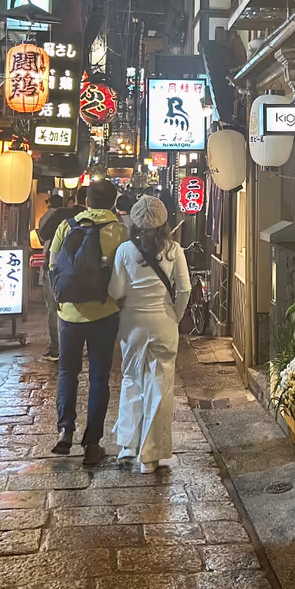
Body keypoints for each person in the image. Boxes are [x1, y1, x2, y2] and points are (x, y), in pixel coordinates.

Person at [49, 180, 129, 465]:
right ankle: (92, 443)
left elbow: (52, 265)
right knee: (98, 378)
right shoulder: (120, 231)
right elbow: (124, 274)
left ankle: (65, 430)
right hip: (104, 313)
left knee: (67, 372)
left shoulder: (67, 226)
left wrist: (60, 299)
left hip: (69, 314)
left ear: (87, 200)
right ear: (113, 202)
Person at [109, 196, 190, 473]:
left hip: (132, 323)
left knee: (132, 379)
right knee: (160, 385)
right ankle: (151, 457)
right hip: (164, 322)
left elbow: (115, 290)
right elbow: (185, 289)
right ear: (164, 222)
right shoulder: (174, 250)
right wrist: (175, 316)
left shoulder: (124, 250)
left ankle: (128, 446)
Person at [38, 194, 83, 362]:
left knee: (54, 308)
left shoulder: (59, 215)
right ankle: (76, 346)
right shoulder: (87, 215)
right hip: (79, 267)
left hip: (56, 267)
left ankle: (55, 347)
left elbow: (44, 235)